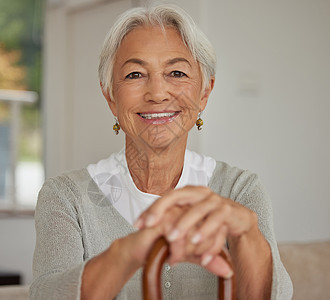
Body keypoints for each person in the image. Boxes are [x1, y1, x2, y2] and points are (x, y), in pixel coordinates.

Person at [30, 4, 293, 300]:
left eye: (177, 72)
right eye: (135, 75)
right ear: (110, 96)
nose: (157, 93)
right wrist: (129, 251)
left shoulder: (240, 190)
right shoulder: (65, 196)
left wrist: (246, 236)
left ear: (204, 92)